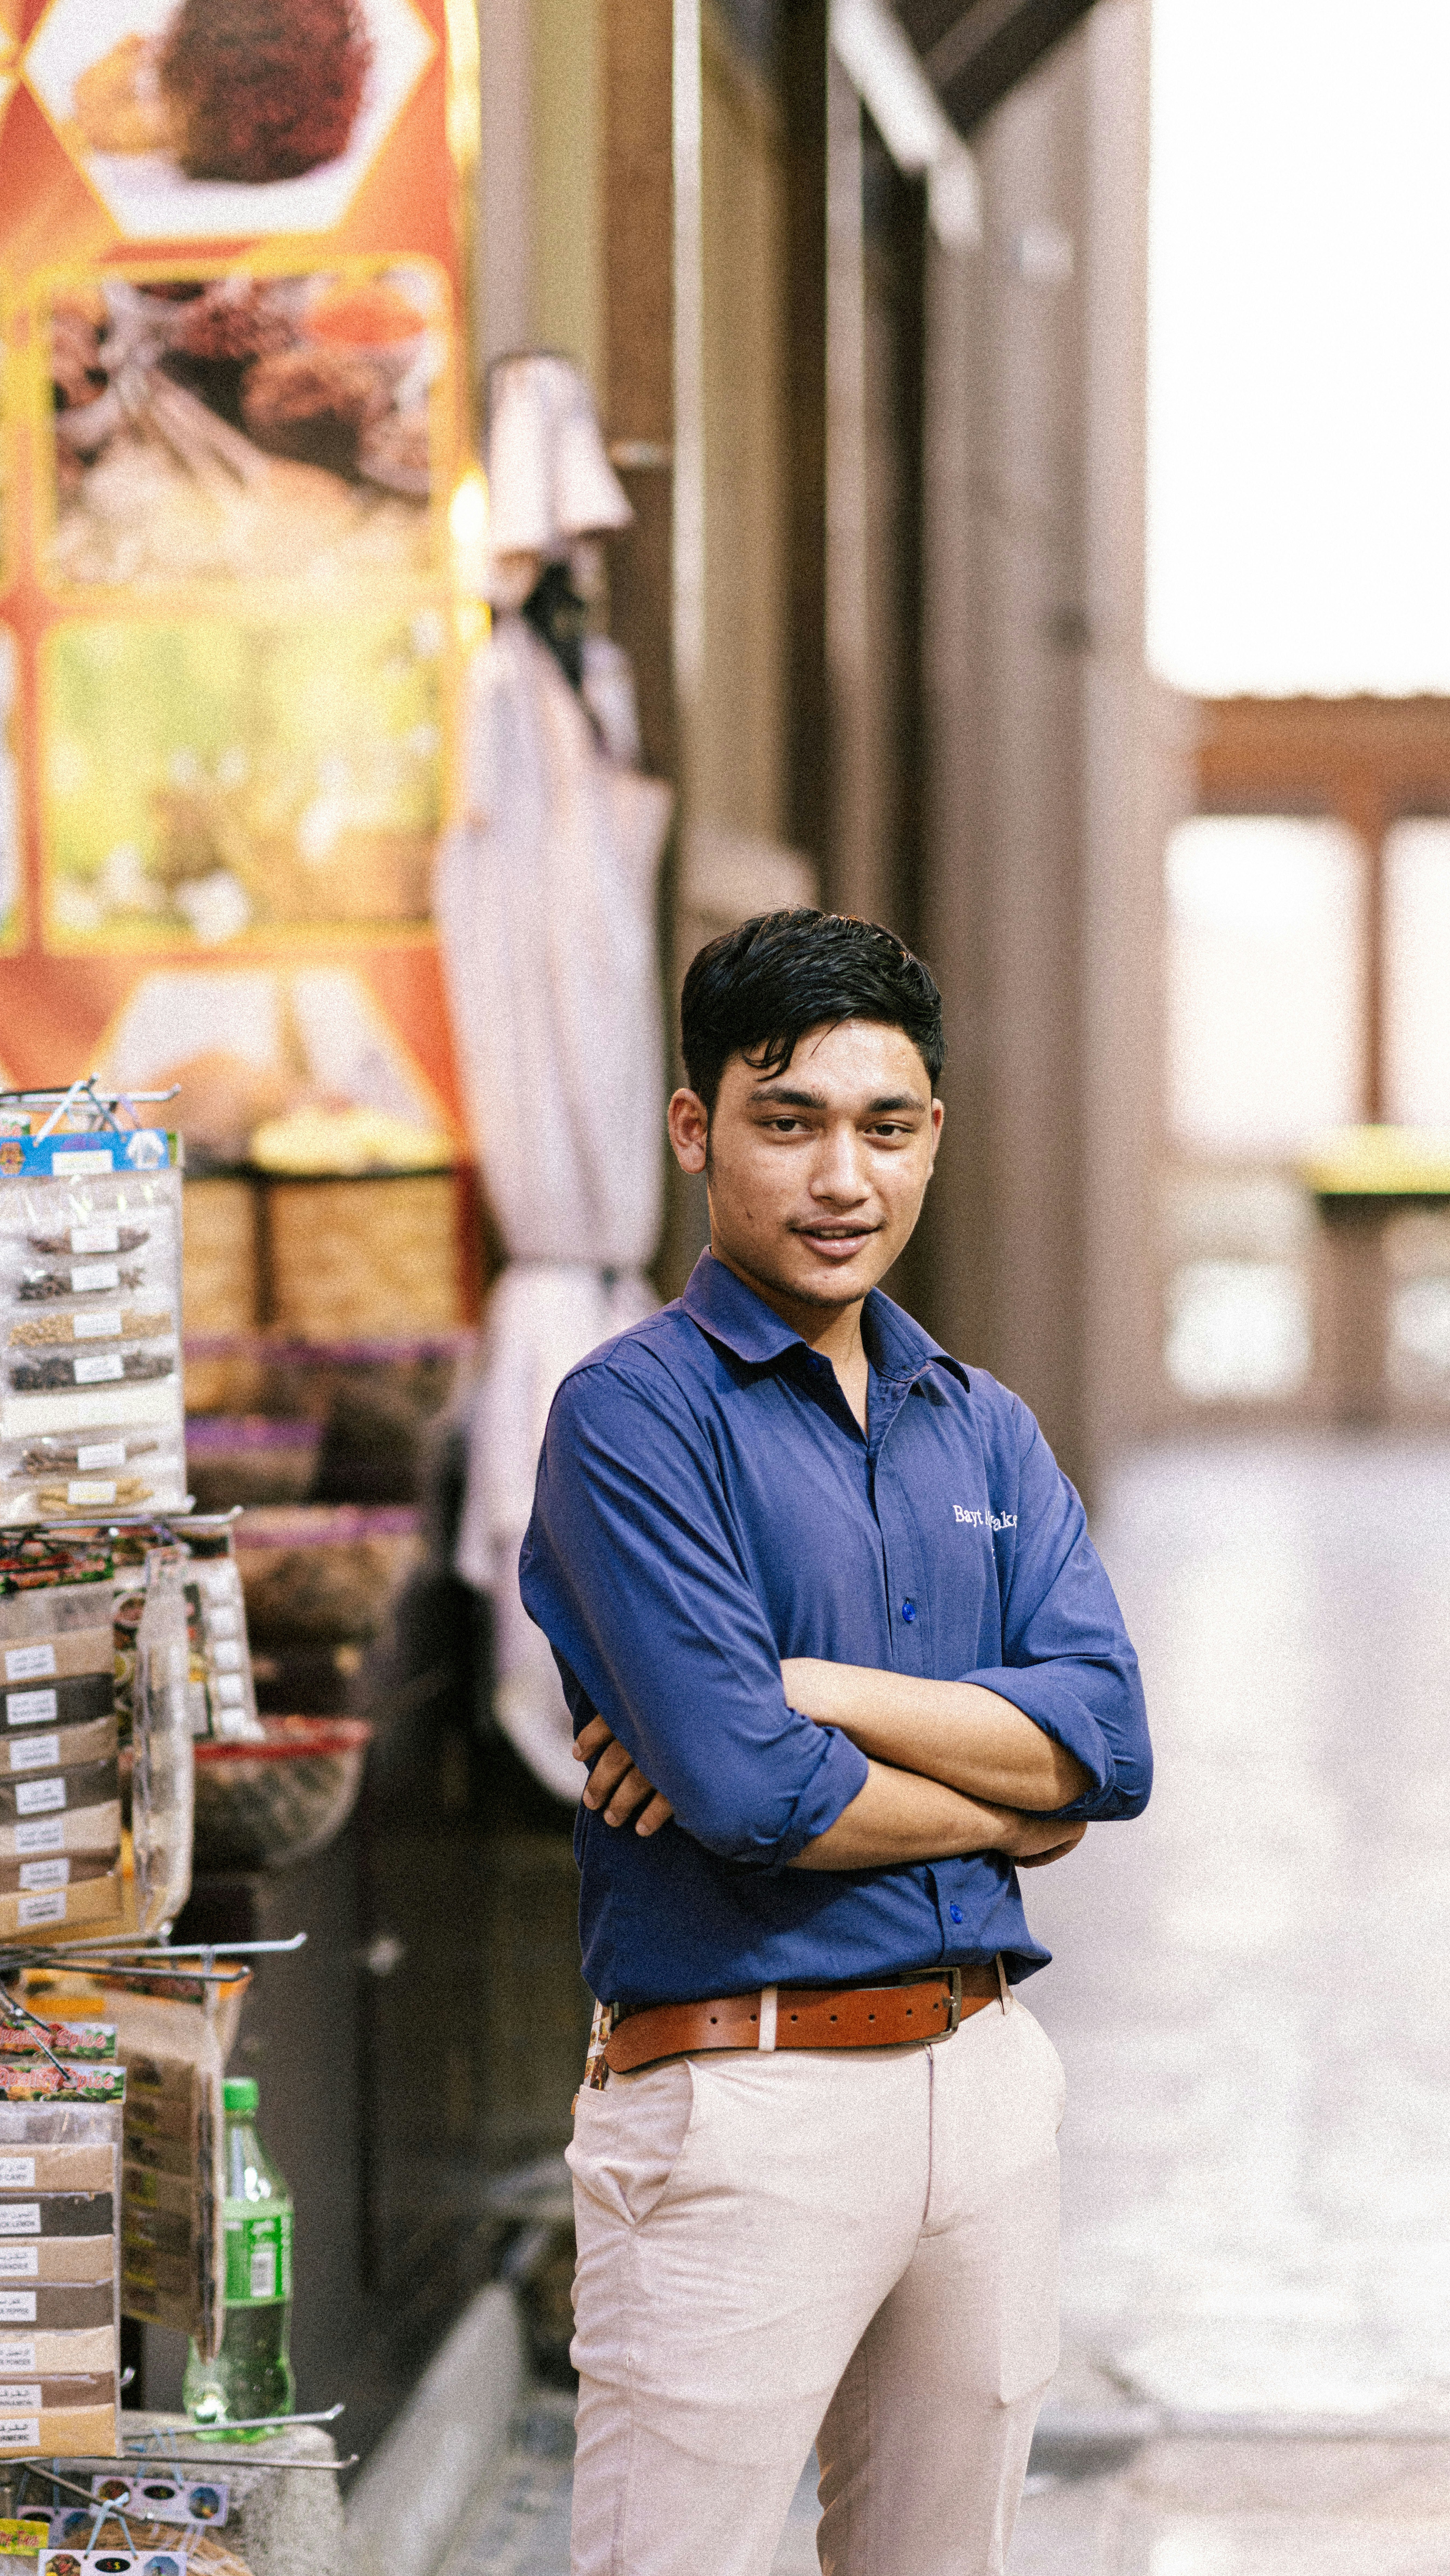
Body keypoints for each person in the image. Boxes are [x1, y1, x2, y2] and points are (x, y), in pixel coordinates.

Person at [520, 909, 1151, 2576]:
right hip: (743, 2095)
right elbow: (743, 1792)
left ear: (932, 1134)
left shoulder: (984, 1422)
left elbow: (1110, 1739)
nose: (841, 1180)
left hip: (985, 2086)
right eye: (787, 1122)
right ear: (694, 1129)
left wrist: (811, 1682)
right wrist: (1016, 1808)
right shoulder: (632, 1416)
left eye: (885, 1128)